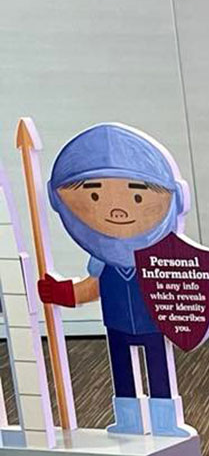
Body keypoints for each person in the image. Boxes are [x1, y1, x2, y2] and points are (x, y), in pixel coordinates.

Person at [38, 123, 192, 438]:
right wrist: (61, 293)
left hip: (152, 325)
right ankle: (129, 420)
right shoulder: (103, 261)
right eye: (94, 195)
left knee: (159, 370)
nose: (117, 210)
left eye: (136, 197)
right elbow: (92, 287)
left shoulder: (156, 262)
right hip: (117, 324)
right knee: (122, 371)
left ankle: (165, 421)